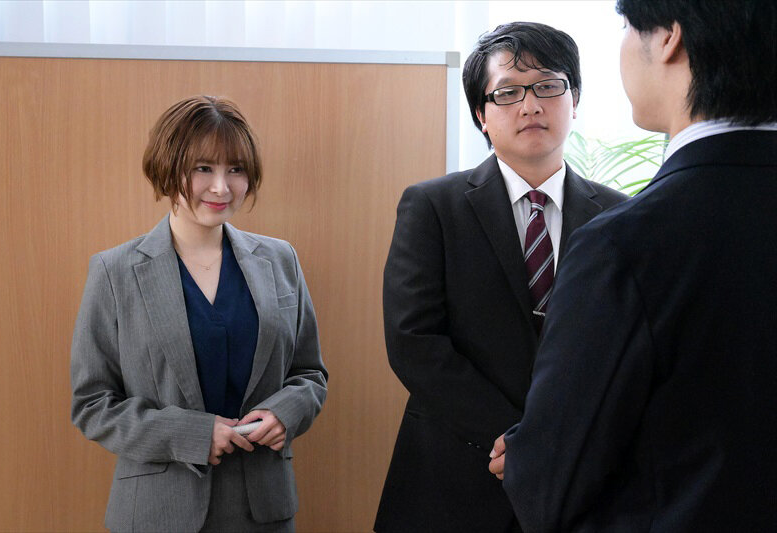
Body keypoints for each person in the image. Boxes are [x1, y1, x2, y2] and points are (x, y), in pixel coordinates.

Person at [489, 1, 777, 531]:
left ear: (668, 36)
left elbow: (550, 485)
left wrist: (528, 454)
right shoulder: (434, 205)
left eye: (625, 26)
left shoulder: (625, 242)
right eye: (508, 93)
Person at [375, 22, 627, 533]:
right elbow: (413, 341)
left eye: (548, 86)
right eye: (508, 92)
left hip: (579, 480)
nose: (530, 106)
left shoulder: (621, 216)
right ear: (481, 114)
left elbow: (625, 349)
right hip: (453, 477)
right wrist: (518, 439)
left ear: (574, 100)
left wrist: (561, 444)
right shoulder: (433, 206)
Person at [71, 95, 328, 532]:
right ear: (166, 167)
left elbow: (310, 374)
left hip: (263, 510)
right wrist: (189, 435)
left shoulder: (280, 259)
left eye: (236, 169)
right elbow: (93, 404)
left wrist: (286, 411)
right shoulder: (115, 272)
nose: (221, 188)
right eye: (203, 168)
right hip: (158, 513)